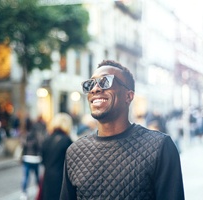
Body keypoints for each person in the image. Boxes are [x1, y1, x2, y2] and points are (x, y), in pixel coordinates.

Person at [60, 60, 184, 200]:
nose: (95, 89)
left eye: (105, 81)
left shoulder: (160, 147)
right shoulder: (75, 151)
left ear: (128, 96)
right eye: (90, 84)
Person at [40, 113, 73, 200]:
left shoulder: (47, 139)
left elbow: (43, 160)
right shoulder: (67, 140)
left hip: (47, 177)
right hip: (61, 179)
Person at [20, 125, 42, 200]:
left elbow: (23, 146)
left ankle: (24, 193)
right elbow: (39, 147)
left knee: (26, 177)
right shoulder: (37, 137)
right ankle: (39, 191)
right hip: (35, 159)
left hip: (27, 158)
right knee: (37, 176)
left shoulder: (26, 137)